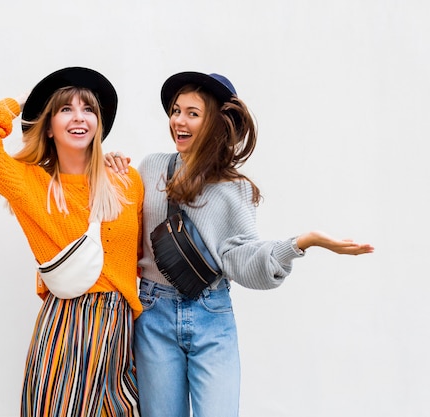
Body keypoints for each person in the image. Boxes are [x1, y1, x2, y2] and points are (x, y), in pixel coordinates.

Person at [106, 71, 374, 417]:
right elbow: (121, 231)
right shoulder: (152, 167)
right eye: (176, 110)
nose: (179, 121)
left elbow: (242, 260)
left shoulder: (234, 188)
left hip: (211, 315)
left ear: (215, 123)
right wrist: (112, 172)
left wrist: (302, 243)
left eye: (192, 113)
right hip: (153, 312)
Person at [0, 67, 143, 417]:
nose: (79, 117)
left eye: (88, 109)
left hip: (120, 332)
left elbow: (139, 255)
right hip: (67, 325)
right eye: (65, 109)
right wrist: (26, 101)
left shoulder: (126, 180)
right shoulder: (30, 183)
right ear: (49, 124)